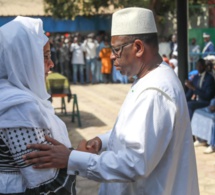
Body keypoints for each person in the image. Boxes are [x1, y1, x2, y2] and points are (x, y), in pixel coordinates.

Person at [23, 7, 199, 195]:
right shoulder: (149, 78)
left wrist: (71, 159)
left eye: (116, 50)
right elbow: (134, 131)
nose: (112, 56)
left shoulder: (155, 91)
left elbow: (134, 163)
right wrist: (102, 141)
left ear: (138, 48)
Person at [0, 16, 76, 194]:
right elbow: (46, 183)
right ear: (21, 59)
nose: (51, 64)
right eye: (44, 57)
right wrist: (73, 157)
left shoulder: (9, 96)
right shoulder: (18, 108)